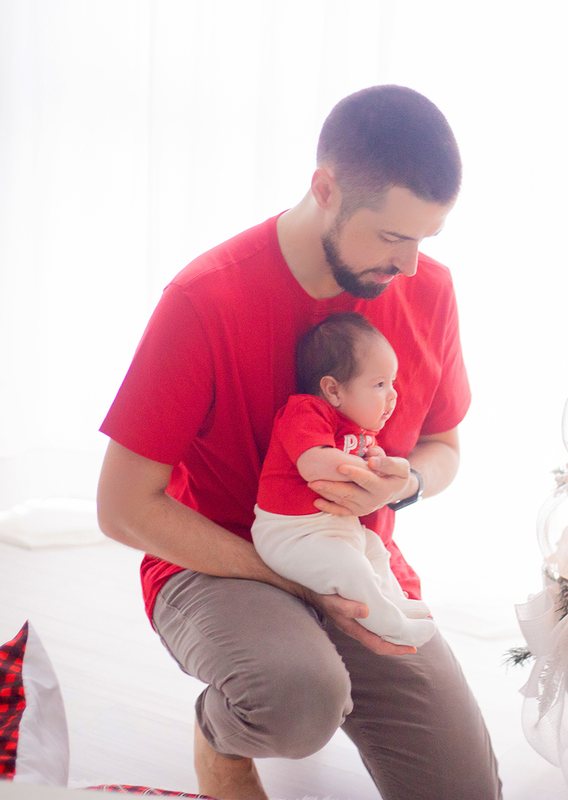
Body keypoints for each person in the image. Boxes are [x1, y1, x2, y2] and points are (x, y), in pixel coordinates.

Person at [95, 85, 501, 800]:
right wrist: (289, 578)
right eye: (391, 237)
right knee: (296, 699)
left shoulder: (428, 290)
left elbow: (445, 445)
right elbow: (123, 508)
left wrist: (406, 484)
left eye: (424, 240)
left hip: (352, 560)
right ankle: (223, 735)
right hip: (215, 561)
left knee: (464, 791)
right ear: (325, 189)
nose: (408, 266)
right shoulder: (205, 299)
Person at [252, 311, 436, 648]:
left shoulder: (357, 431)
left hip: (335, 532)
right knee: (352, 568)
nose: (393, 395)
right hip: (291, 536)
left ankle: (394, 600)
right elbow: (315, 463)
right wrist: (370, 473)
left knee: (374, 550)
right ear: (333, 390)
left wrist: (387, 469)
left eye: (392, 383)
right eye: (380, 384)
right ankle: (391, 625)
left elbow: (375, 462)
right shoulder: (305, 412)